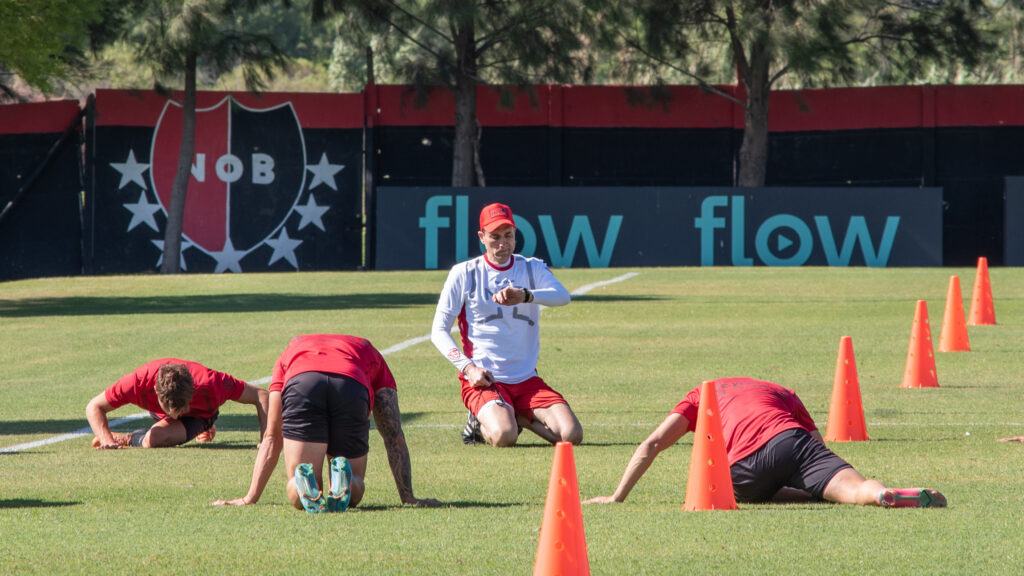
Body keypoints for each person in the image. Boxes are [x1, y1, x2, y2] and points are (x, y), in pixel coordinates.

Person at [584, 377, 947, 508]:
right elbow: (817, 444)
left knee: (734, 489)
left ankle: (813, 494)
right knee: (852, 488)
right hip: (793, 439)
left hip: (744, 465)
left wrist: (617, 496)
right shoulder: (781, 392)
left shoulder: (701, 393)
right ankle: (880, 494)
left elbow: (652, 444)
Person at [212, 334, 440, 512]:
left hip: (303, 381)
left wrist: (249, 497)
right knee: (356, 485)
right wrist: (408, 496)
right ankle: (346, 482)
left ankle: (303, 483)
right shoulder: (368, 351)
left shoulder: (291, 350)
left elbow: (272, 436)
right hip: (350, 383)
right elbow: (393, 433)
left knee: (297, 485)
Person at [431, 202, 583, 447]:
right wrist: (469, 369)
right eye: (495, 236)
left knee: (572, 435)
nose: (503, 243)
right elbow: (438, 331)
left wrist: (526, 295)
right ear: (481, 237)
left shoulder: (531, 267)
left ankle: (517, 415)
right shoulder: (464, 273)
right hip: (485, 379)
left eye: (508, 235)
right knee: (504, 436)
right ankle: (480, 422)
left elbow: (562, 296)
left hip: (526, 379)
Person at [86, 359, 268, 449]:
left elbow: (262, 396)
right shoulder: (136, 382)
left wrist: (267, 439)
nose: (175, 416)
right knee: (154, 439)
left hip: (201, 412)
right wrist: (107, 440)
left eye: (181, 408)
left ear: (194, 389)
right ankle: (122, 438)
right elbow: (94, 406)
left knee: (156, 438)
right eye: (171, 410)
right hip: (163, 410)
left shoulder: (212, 383)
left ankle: (206, 423)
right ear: (156, 392)